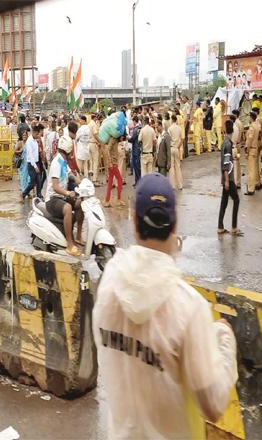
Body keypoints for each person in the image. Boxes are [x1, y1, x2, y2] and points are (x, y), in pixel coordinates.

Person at [93, 172, 238, 439]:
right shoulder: (188, 307)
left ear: (134, 220)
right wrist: (224, 343)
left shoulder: (108, 284)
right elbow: (213, 405)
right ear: (175, 223)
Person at [46, 121, 84, 256]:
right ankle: (69, 244)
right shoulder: (57, 163)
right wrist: (68, 192)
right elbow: (55, 187)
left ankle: (78, 235)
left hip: (61, 196)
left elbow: (70, 175)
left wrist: (81, 183)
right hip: (52, 199)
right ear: (68, 151)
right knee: (68, 208)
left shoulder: (63, 161)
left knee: (80, 203)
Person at [218, 121, 242, 236]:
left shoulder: (224, 143)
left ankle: (220, 226)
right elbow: (226, 164)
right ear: (232, 131)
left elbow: (226, 161)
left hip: (225, 177)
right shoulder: (228, 144)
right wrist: (227, 180)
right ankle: (234, 227)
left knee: (224, 202)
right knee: (236, 200)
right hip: (229, 178)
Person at [21, 124, 43, 201]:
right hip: (31, 164)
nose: (38, 135)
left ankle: (39, 195)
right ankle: (24, 193)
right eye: (37, 134)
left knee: (39, 180)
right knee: (32, 182)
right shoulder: (29, 141)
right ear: (33, 132)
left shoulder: (35, 140)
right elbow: (30, 155)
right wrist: (35, 166)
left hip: (36, 163)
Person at [104, 135, 126, 208]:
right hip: (113, 164)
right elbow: (107, 150)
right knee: (119, 179)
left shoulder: (115, 140)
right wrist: (110, 162)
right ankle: (118, 200)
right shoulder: (113, 139)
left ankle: (107, 201)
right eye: (122, 136)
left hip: (113, 163)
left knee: (110, 182)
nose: (122, 138)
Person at [244, 112, 261, 195]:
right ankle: (254, 185)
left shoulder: (252, 127)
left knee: (251, 170)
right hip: (255, 148)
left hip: (251, 149)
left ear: (251, 118)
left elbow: (250, 139)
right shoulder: (257, 126)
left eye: (249, 117)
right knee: (254, 168)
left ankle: (251, 189)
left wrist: (247, 150)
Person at [168, 114, 183, 190]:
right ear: (176, 120)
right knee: (178, 166)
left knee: (172, 168)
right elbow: (182, 139)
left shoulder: (169, 129)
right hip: (177, 148)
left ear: (171, 120)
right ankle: (180, 185)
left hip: (171, 148)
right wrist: (178, 146)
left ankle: (172, 185)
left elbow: (168, 139)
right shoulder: (179, 128)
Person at [87, 113, 102, 185]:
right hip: (93, 143)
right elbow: (96, 134)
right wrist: (100, 141)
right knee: (95, 162)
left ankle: (91, 179)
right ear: (95, 118)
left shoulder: (89, 124)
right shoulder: (93, 124)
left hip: (89, 144)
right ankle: (94, 180)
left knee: (91, 163)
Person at [231, 111, 244, 189]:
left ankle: (236, 182)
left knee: (235, 165)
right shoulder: (240, 123)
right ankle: (238, 182)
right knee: (238, 164)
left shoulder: (235, 124)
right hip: (238, 144)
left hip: (235, 144)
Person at [128, 115, 142, 186]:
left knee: (136, 167)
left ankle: (138, 181)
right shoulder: (140, 128)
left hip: (135, 149)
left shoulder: (136, 129)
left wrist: (128, 138)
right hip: (139, 148)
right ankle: (137, 181)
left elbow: (132, 139)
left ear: (134, 121)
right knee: (138, 167)